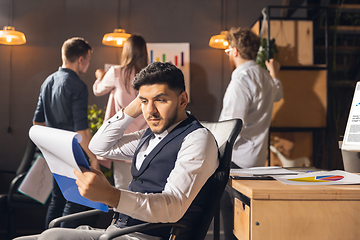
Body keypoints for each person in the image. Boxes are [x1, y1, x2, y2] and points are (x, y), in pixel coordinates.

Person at [16, 62, 219, 240]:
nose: (150, 111)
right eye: (144, 101)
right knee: (43, 236)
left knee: (53, 237)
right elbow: (99, 146)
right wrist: (135, 106)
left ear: (182, 100)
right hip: (118, 231)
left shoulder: (197, 139)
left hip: (145, 236)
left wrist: (111, 195)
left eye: (160, 100)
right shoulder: (150, 134)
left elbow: (172, 207)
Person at [219, 27, 283, 240]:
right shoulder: (264, 76)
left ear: (235, 51)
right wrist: (275, 71)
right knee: (245, 223)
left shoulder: (241, 80)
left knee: (232, 224)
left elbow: (231, 126)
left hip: (234, 161)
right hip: (255, 161)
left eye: (229, 50)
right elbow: (278, 92)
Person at [32, 37, 100, 229]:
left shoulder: (48, 82)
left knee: (57, 199)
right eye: (87, 59)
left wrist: (49, 146)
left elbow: (37, 122)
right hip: (73, 151)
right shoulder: (77, 85)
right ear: (81, 59)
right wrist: (93, 157)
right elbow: (81, 130)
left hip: (55, 150)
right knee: (75, 201)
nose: (88, 63)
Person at [92, 34, 148, 189]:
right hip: (146, 141)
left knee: (122, 192)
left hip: (122, 142)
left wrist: (99, 76)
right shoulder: (150, 76)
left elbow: (97, 90)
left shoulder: (116, 72)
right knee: (144, 192)